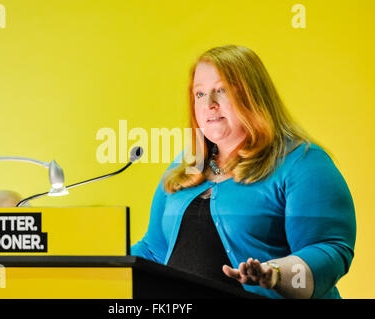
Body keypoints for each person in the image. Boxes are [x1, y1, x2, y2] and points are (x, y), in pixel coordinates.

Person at [130, 45, 356, 299]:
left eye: (222, 90)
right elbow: (153, 251)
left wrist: (275, 273)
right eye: (200, 94)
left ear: (253, 95)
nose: (209, 104)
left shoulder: (304, 163)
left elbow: (330, 250)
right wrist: (96, 259)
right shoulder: (186, 166)